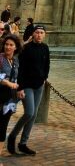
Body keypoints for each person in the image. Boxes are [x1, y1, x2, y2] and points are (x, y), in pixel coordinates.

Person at [7, 24, 50, 156]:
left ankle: (23, 143)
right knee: (29, 113)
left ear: (44, 35)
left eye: (41, 33)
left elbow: (47, 64)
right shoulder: (26, 48)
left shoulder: (45, 48)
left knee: (33, 115)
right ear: (33, 34)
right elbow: (20, 69)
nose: (39, 35)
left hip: (39, 85)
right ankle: (12, 136)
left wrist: (44, 77)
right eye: (37, 32)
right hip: (27, 85)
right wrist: (20, 87)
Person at [0, 33, 21, 161]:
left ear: (16, 47)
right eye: (6, 44)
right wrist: (7, 82)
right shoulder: (0, 58)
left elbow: (17, 77)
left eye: (11, 45)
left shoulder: (16, 61)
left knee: (3, 126)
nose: (8, 47)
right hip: (0, 96)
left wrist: (20, 89)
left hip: (9, 99)